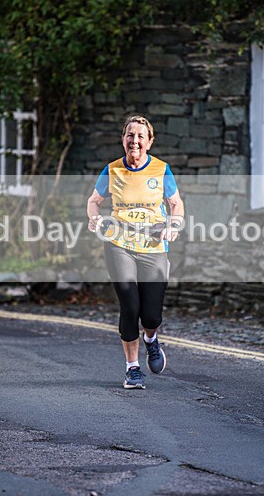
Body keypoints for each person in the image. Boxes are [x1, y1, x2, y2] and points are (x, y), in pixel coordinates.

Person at [87, 115, 185, 389]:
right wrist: (94, 217)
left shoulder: (161, 170)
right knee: (129, 305)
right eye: (130, 135)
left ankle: (151, 339)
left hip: (154, 247)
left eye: (141, 136)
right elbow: (94, 201)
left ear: (150, 142)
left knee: (151, 315)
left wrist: (174, 226)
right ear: (123, 139)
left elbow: (176, 204)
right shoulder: (113, 170)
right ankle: (132, 368)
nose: (135, 141)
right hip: (119, 245)